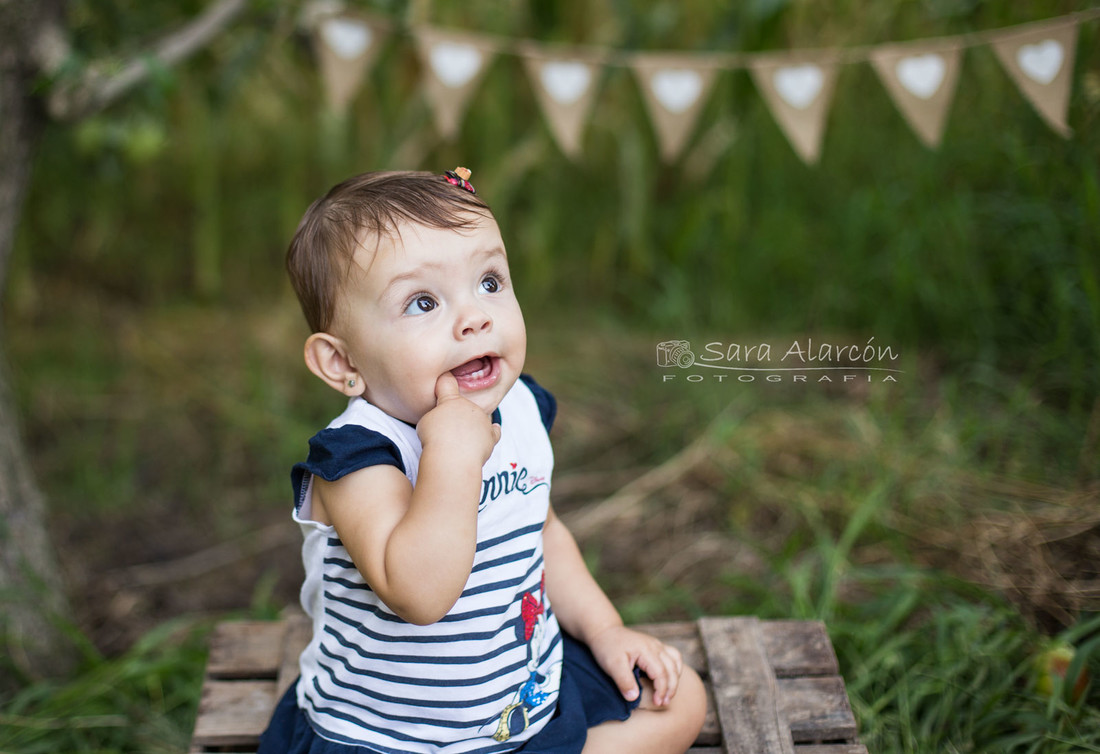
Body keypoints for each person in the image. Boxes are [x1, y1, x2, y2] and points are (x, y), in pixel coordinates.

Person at [259, 169, 707, 754]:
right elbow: (418, 594)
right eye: (423, 302)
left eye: (490, 282)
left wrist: (606, 630)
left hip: (519, 702)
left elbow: (541, 531)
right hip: (389, 737)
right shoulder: (357, 460)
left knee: (682, 700)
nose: (474, 317)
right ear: (342, 363)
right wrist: (450, 451)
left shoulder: (519, 407)